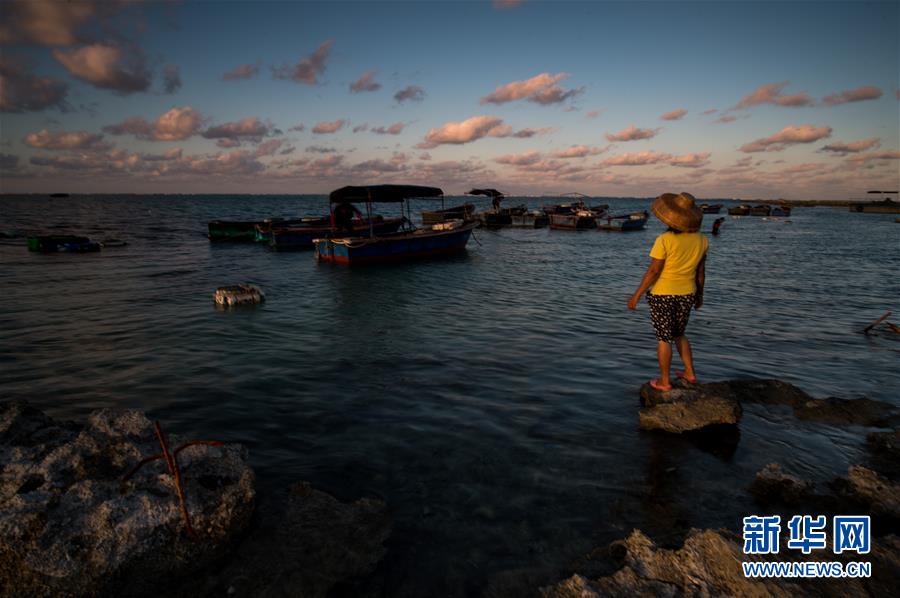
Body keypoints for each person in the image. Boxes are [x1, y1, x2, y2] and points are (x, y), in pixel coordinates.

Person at [628, 192, 708, 391]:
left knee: (664, 338)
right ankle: (689, 372)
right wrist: (700, 295)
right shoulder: (702, 240)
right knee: (679, 334)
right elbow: (701, 271)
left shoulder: (664, 239)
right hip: (687, 293)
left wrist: (637, 294)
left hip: (662, 294)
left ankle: (665, 381)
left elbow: (654, 270)